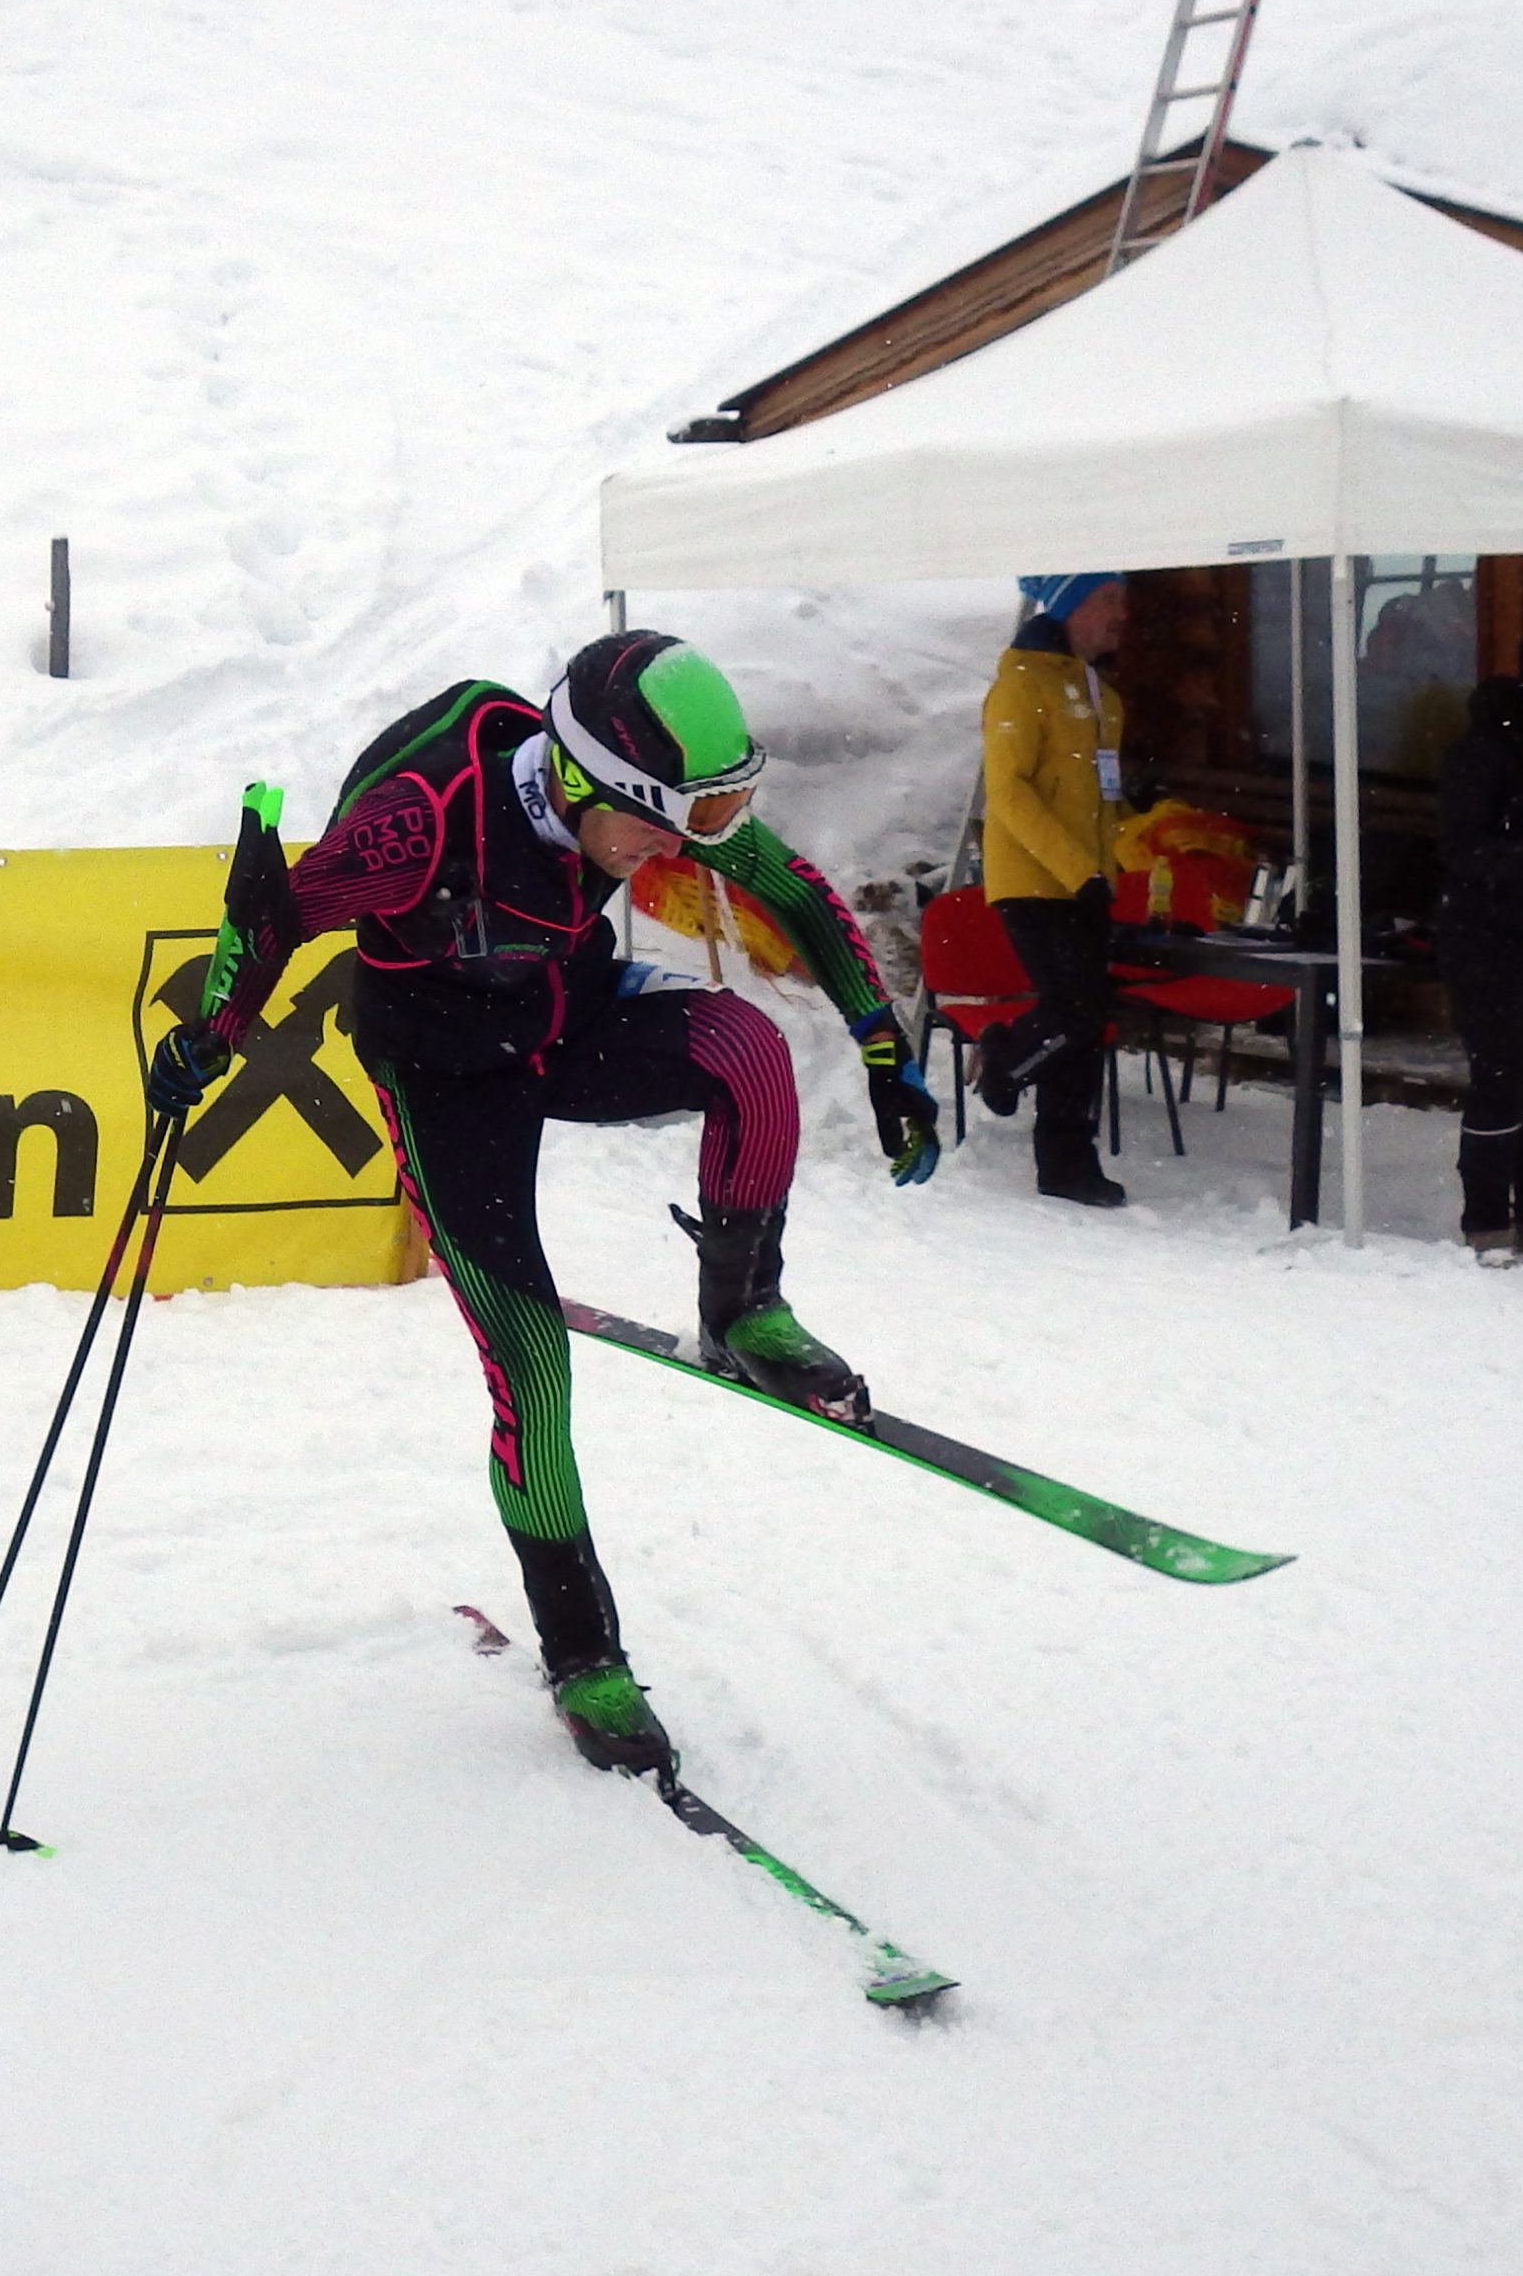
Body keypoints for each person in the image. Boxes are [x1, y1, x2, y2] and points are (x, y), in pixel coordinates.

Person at [146, 632, 939, 1774]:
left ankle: (743, 1308)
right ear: (582, 780)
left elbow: (787, 885)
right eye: (665, 826)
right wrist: (206, 1038)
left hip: (560, 1021)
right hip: (443, 1082)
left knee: (748, 1051)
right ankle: (583, 1651)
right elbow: (274, 914)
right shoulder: (423, 823)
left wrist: (879, 1046)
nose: (679, 851)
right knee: (530, 1364)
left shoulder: (635, 797)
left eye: (703, 819)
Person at [974, 571, 1130, 1206]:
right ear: (1069, 607)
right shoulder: (1020, 687)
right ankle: (1005, 1060)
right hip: (1033, 881)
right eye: (1108, 601)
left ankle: (1067, 1163)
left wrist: (1115, 866)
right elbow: (1009, 793)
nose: (1122, 615)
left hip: (1086, 883)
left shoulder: (1102, 696)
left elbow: (1102, 798)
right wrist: (1079, 871)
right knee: (1077, 1009)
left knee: (1088, 1024)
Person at [1438, 670, 1523, 1259]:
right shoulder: (1483, 751)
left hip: (1508, 928)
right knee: (1501, 1077)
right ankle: (1488, 1220)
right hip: (1485, 938)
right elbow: (1463, 847)